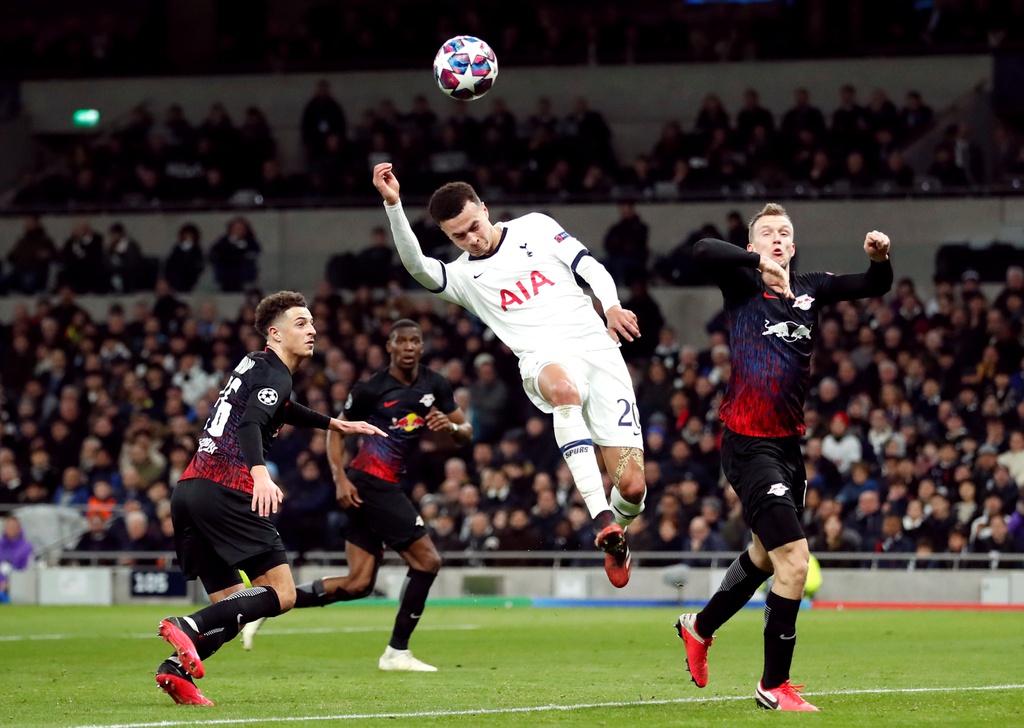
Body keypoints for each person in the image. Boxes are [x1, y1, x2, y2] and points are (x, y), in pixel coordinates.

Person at [371, 162, 646, 588]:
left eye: (474, 226)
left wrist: (610, 305)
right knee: (565, 391)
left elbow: (589, 266)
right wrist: (394, 207)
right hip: (542, 360)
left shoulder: (535, 228)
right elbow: (418, 267)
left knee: (632, 486)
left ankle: (620, 530)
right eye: (459, 236)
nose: (472, 238)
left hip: (599, 352)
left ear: (484, 207)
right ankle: (602, 520)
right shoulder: (464, 276)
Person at [675, 203, 893, 711]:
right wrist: (756, 266)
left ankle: (699, 627)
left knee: (761, 556)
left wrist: (880, 260)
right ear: (752, 246)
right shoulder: (743, 286)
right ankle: (773, 685)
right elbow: (703, 249)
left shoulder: (812, 288)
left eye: (784, 234)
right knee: (794, 562)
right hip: (748, 443)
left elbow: (873, 286)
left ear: (793, 247)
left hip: (788, 447)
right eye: (766, 234)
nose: (777, 239)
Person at [153, 291, 386, 707]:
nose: (312, 330)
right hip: (227, 488)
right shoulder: (277, 374)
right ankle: (184, 625)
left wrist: (335, 423)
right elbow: (250, 424)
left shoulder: (255, 364)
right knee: (283, 593)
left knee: (232, 608)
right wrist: (260, 473)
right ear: (275, 334)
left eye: (312, 323)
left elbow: (277, 407)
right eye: (301, 324)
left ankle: (174, 670)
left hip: (190, 491)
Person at [240, 319, 471, 671]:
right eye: (401, 341)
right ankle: (397, 652)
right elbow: (337, 431)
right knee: (428, 561)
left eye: (415, 341)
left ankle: (265, 606)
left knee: (359, 583)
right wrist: (339, 479)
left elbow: (465, 432)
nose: (409, 347)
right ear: (390, 347)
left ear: (422, 347)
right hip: (368, 482)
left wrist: (452, 427)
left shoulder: (434, 384)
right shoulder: (371, 389)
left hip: (384, 485)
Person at [0, 514, 35, 604]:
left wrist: (10, 583)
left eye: (14, 526)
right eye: (9, 526)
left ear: (19, 528)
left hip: (17, 587)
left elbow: (27, 570)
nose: (11, 529)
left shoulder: (27, 548)